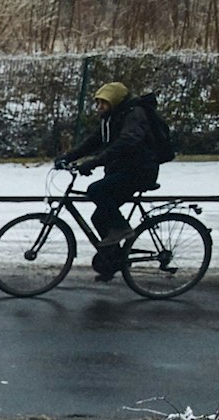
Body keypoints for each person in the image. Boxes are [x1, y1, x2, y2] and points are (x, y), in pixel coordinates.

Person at [55, 82, 162, 281]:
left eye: (103, 103)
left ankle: (122, 229)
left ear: (114, 101)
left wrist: (94, 162)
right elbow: (93, 142)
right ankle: (112, 261)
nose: (99, 108)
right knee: (99, 217)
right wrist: (69, 157)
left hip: (140, 171)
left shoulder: (134, 114)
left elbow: (127, 142)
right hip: (122, 170)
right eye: (98, 103)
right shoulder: (111, 118)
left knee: (96, 190)